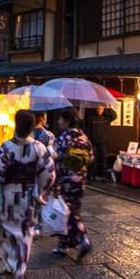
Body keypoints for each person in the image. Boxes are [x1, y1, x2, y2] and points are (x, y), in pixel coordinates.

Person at [0, 110, 54, 279]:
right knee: (25, 233)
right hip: (28, 195)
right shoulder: (39, 148)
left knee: (6, 231)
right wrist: (42, 191)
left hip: (8, 195)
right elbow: (49, 173)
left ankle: (10, 263)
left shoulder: (5, 147)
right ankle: (20, 268)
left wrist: (4, 182)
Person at [54, 109, 93, 258]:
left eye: (61, 119)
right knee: (72, 209)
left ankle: (83, 239)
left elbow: (56, 159)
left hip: (65, 179)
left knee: (67, 212)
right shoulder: (84, 137)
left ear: (67, 121)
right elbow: (90, 158)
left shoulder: (64, 138)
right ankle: (62, 245)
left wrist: (54, 180)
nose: (58, 122)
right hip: (80, 178)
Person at [86, 104, 116, 181]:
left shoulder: (107, 118)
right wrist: (88, 140)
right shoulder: (91, 118)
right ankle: (91, 175)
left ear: (103, 110)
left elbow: (114, 115)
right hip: (94, 142)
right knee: (93, 159)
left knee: (104, 159)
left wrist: (108, 107)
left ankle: (104, 176)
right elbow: (88, 130)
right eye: (98, 109)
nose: (99, 110)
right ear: (96, 109)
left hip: (103, 141)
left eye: (101, 109)